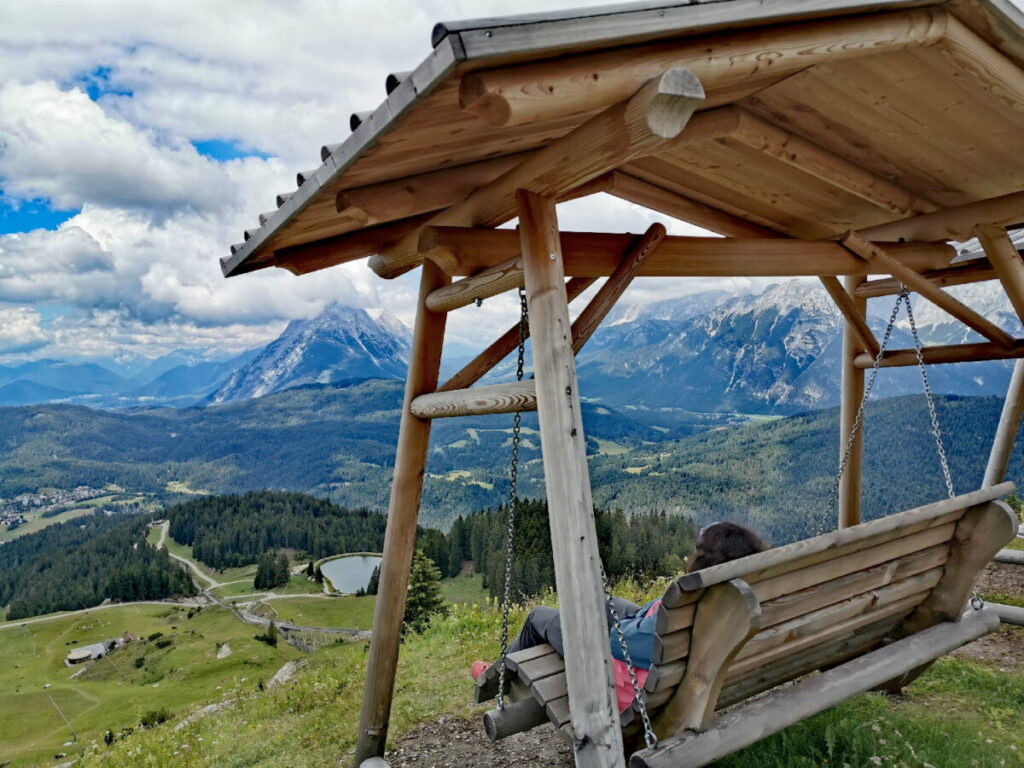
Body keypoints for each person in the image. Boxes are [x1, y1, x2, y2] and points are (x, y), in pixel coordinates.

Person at [471, 521, 765, 713]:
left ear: (706, 559)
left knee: (539, 616)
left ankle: (496, 676)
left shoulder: (692, 606)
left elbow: (615, 642)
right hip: (676, 652)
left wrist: (624, 624)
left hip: (629, 683)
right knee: (597, 602)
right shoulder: (737, 596)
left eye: (696, 549)